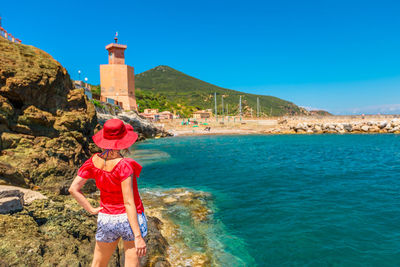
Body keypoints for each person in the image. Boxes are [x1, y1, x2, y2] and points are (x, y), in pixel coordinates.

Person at [68, 119, 147, 267]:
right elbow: (129, 202)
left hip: (107, 218)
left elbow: (73, 188)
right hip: (129, 220)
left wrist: (91, 209)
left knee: (98, 264)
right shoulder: (124, 165)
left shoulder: (93, 161)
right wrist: (138, 236)